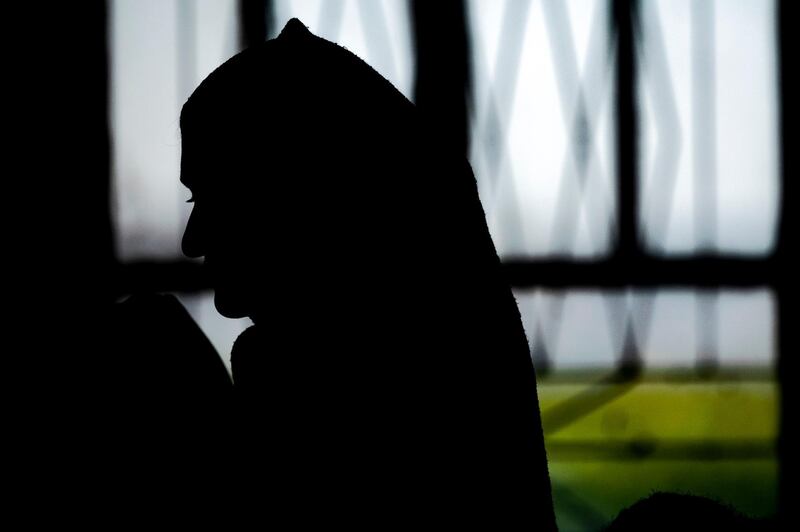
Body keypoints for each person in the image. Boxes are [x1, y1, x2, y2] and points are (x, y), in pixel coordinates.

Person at [180, 18, 556, 528]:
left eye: (210, 196)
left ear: (299, 198)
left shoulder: (303, 396)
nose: (191, 240)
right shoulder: (455, 365)